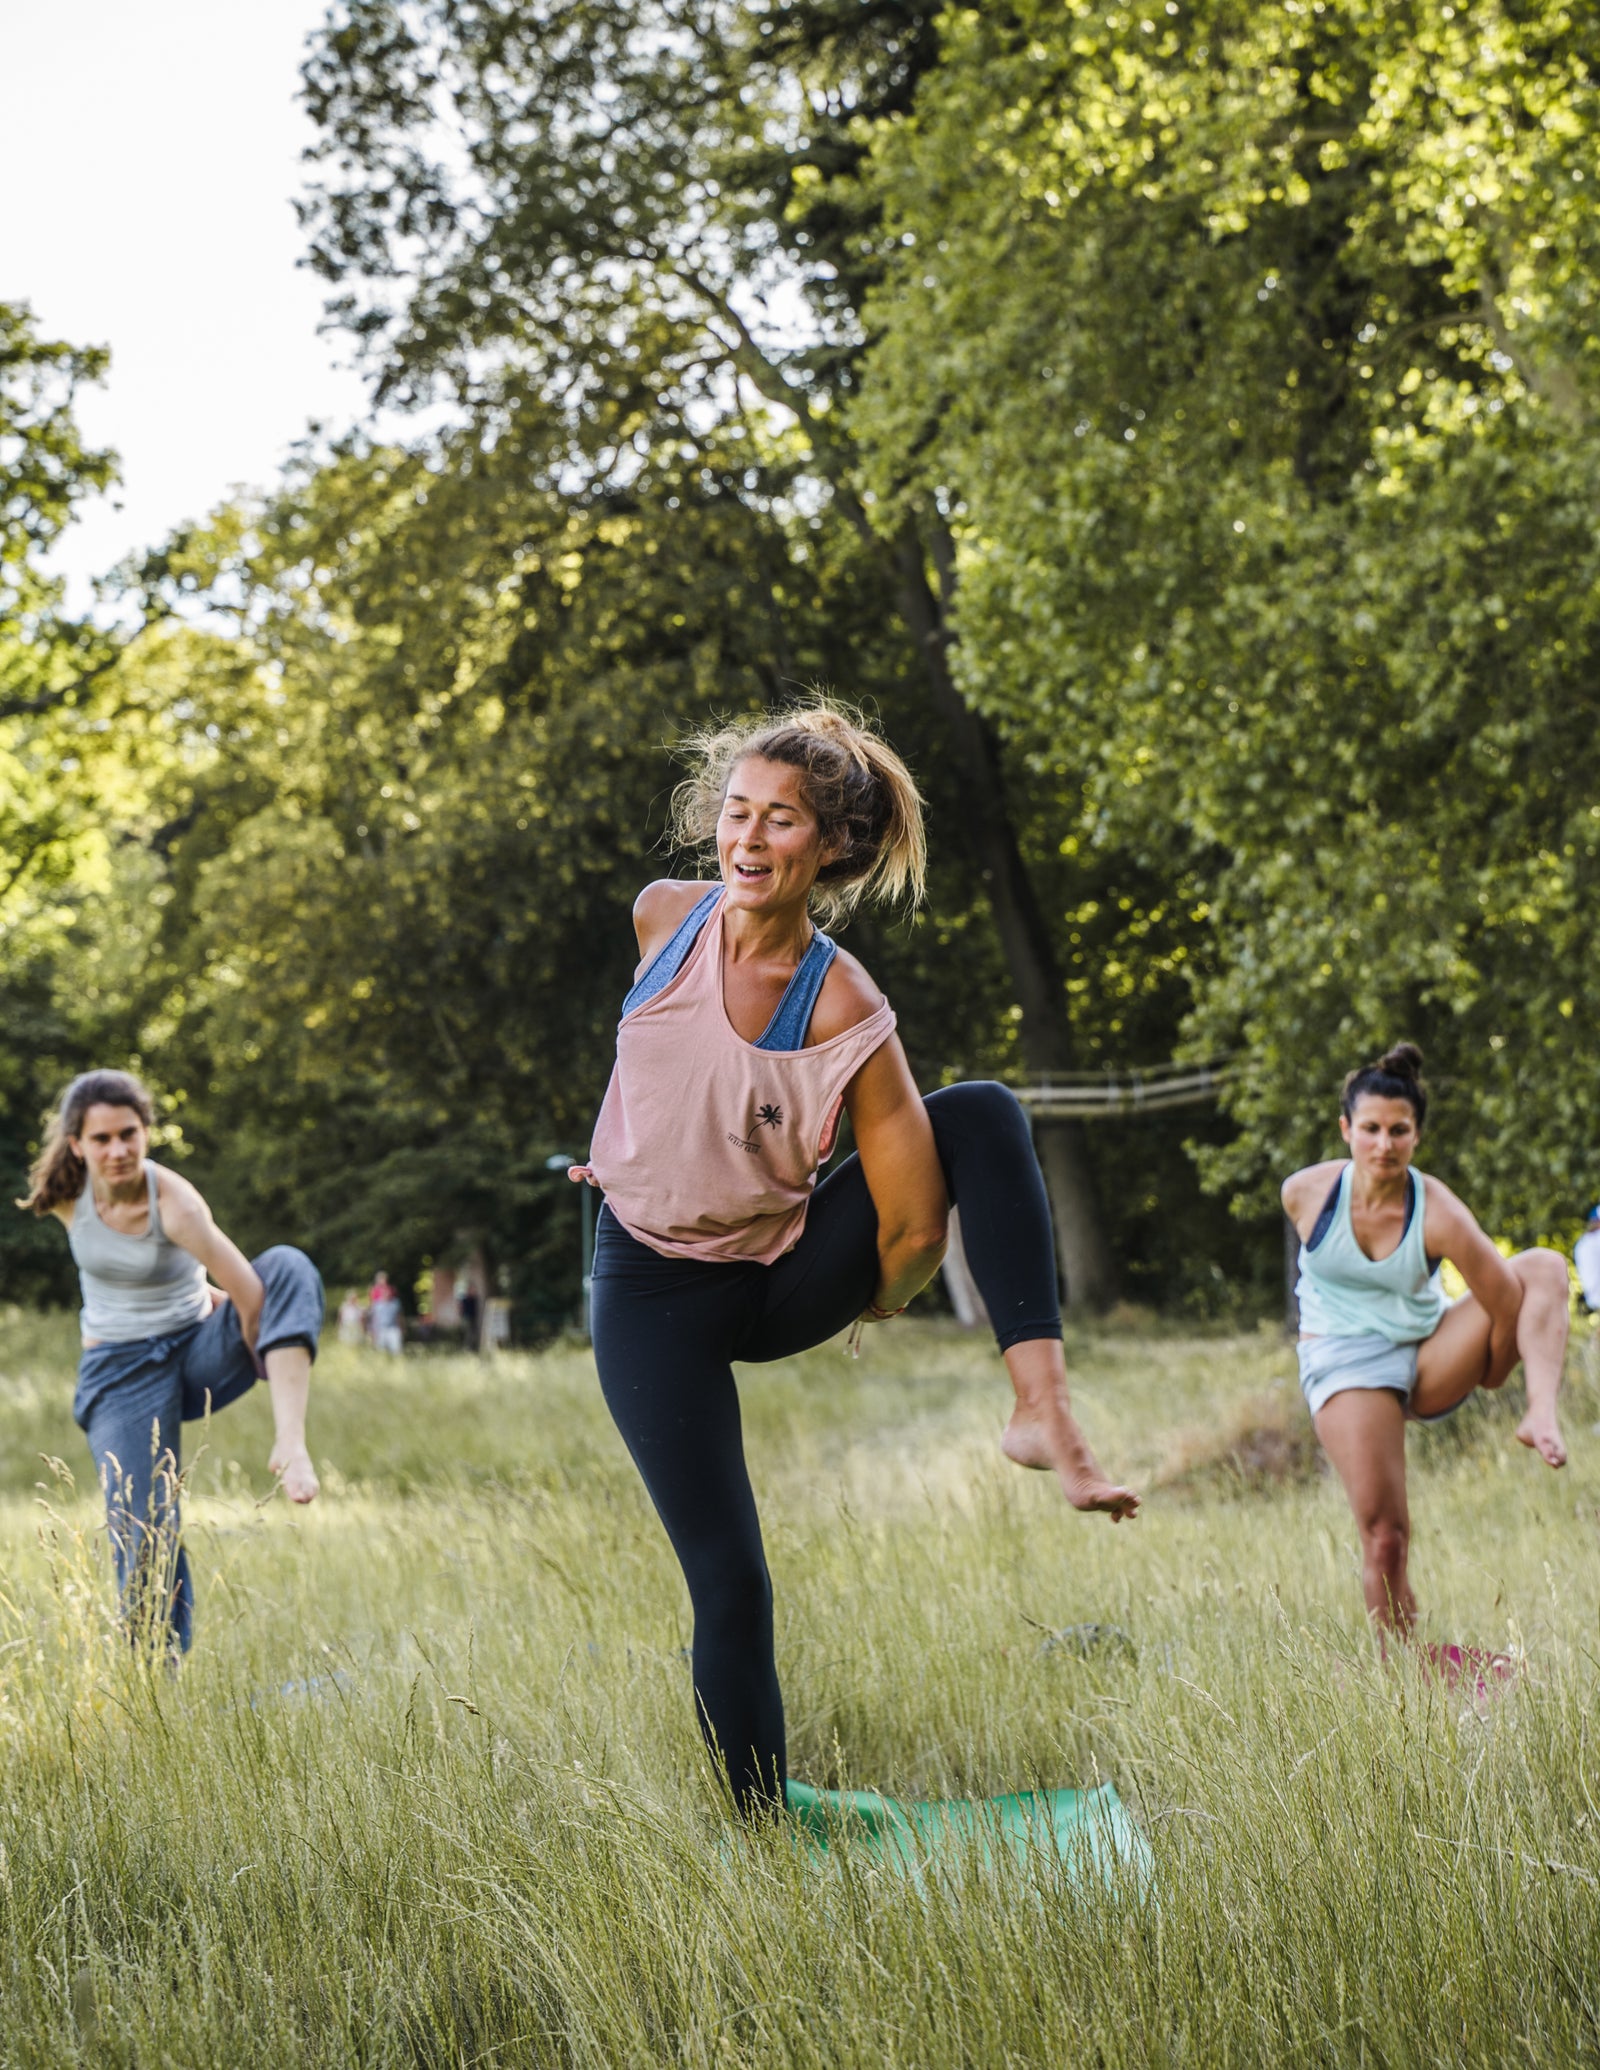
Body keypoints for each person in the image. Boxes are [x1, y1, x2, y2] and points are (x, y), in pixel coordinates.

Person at [572, 700, 1138, 1817]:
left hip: (775, 1279)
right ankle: (761, 1825)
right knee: (729, 1577)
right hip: (646, 1290)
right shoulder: (662, 919)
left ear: (828, 847)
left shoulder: (845, 1006)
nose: (746, 838)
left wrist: (876, 1300)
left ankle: (1043, 1410)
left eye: (778, 822)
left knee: (977, 1112)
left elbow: (916, 1227)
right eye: (736, 812)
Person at [20, 1069, 323, 1654]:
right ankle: (156, 1673)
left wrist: (249, 1348)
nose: (118, 1150)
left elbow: (249, 1293)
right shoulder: (64, 1196)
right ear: (77, 1143)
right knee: (144, 1525)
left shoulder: (178, 1205)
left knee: (288, 1265)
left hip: (196, 1352)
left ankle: (291, 1442)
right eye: (102, 1138)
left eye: (128, 1133)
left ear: (146, 1131)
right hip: (118, 1374)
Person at [1282, 1043, 1568, 1636]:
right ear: (1346, 1130)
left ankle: (1540, 1412)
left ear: (1417, 1135)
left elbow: (1506, 1301)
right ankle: (1402, 1675)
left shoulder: (1437, 1211)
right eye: (1370, 1129)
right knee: (1386, 1537)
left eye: (1398, 1131)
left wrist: (1490, 1366)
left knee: (1541, 1266)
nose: (1383, 1144)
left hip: (1429, 1348)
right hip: (1344, 1360)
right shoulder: (1306, 1194)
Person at [367, 1271, 404, 1355]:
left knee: (396, 1349)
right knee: (381, 1350)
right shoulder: (374, 1291)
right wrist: (372, 1330)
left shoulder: (392, 1291)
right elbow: (373, 1313)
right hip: (380, 1326)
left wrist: (401, 1328)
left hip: (392, 1326)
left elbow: (398, 1315)